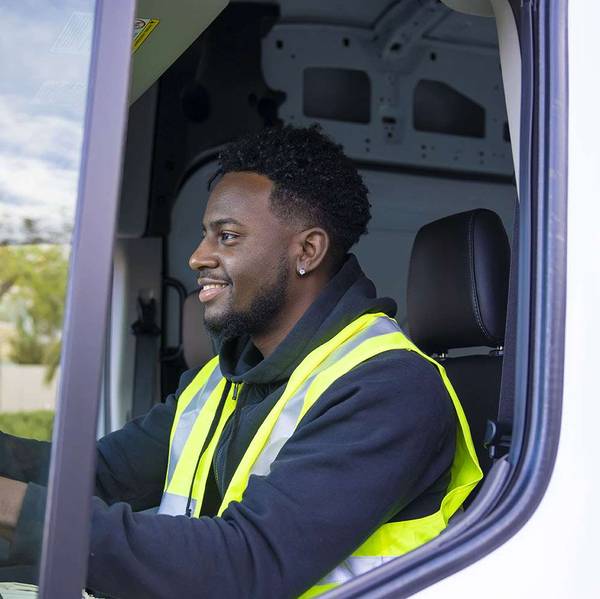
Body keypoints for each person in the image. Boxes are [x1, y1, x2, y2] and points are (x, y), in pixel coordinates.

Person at [0, 125, 481, 598]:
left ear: (307, 251)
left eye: (226, 237)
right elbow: (102, 474)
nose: (197, 257)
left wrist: (14, 508)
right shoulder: (222, 379)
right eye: (205, 236)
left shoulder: (390, 388)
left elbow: (249, 564)